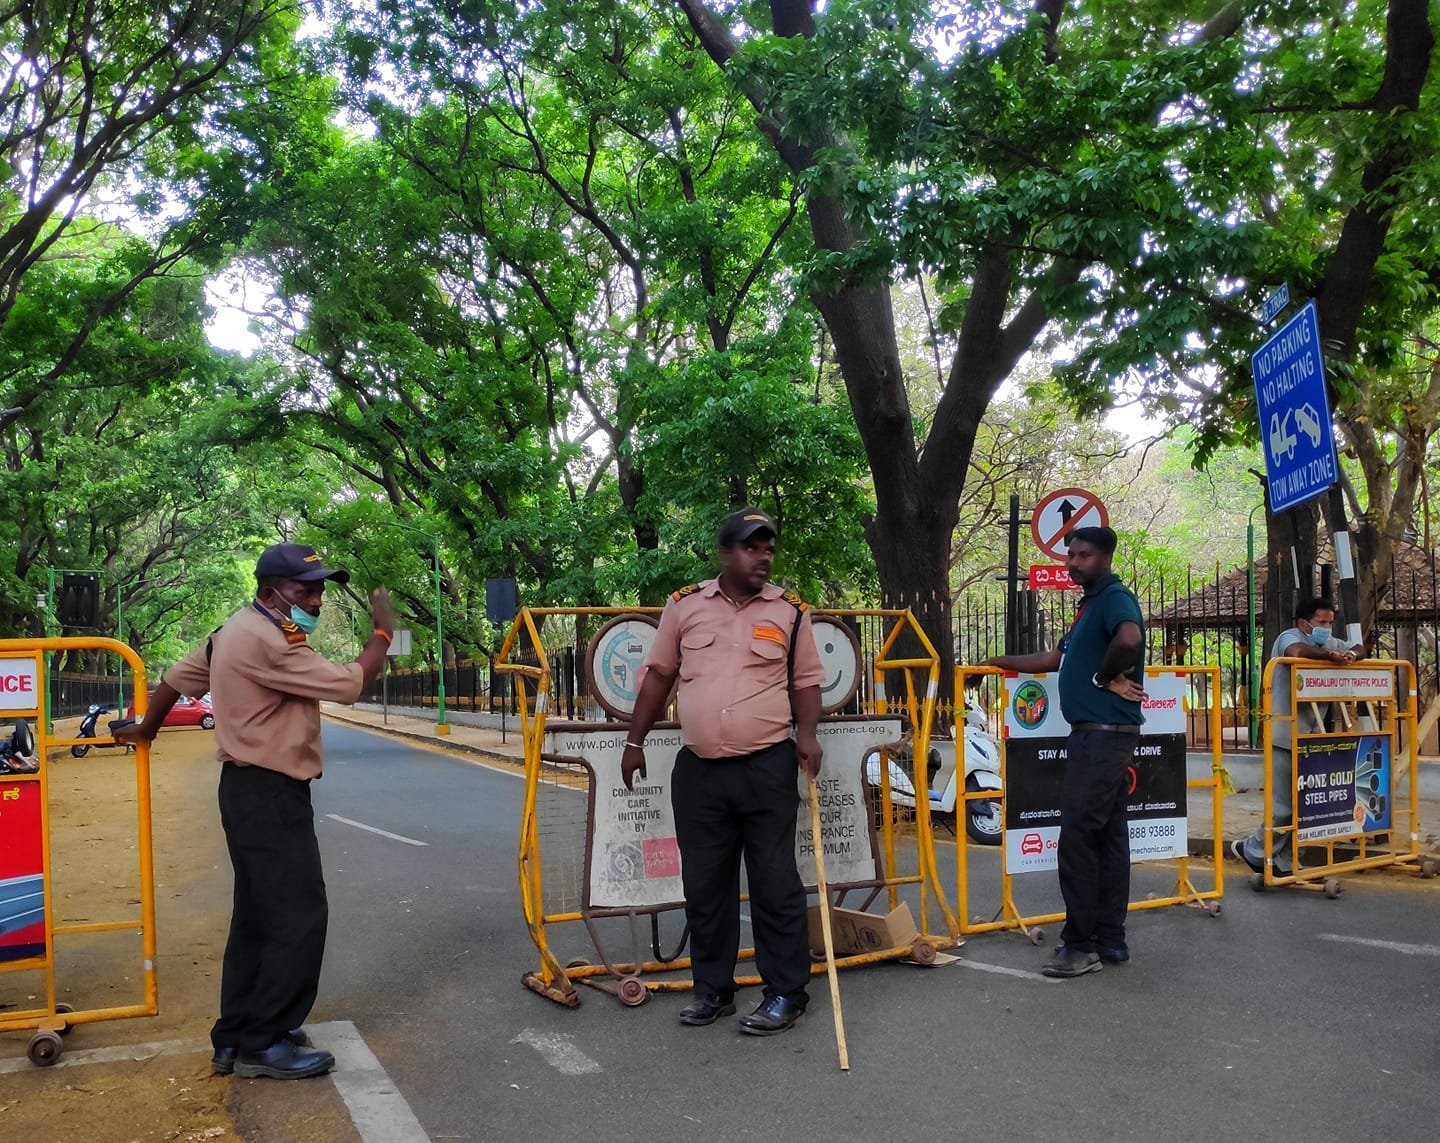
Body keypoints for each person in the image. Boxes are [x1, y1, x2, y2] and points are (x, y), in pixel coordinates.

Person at [118, 543, 395, 1079]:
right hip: (269, 794)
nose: (315, 600)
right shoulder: (267, 641)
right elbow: (351, 684)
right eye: (303, 589)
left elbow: (179, 676)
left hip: (247, 792)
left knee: (258, 915)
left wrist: (148, 725)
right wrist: (383, 633)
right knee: (298, 915)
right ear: (272, 592)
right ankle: (263, 1042)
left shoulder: (232, 631)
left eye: (318, 589)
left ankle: (237, 1034)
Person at [621, 507, 824, 1035]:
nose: (764, 556)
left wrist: (807, 735)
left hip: (767, 766)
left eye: (769, 547)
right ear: (726, 552)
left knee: (775, 882)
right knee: (705, 885)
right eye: (752, 547)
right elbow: (660, 674)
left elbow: (806, 682)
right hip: (701, 772)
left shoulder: (792, 612)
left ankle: (786, 992)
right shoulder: (685, 606)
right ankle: (714, 989)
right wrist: (634, 740)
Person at [983, 526, 1146, 978]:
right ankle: (1111, 942)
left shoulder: (1114, 598)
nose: (1073, 563)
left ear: (1104, 557)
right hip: (1100, 735)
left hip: (1102, 736)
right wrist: (999, 663)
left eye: (1083, 555)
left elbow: (1129, 640)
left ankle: (1079, 946)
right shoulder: (1090, 607)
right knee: (1109, 839)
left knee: (1076, 840)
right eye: (1070, 555)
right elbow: (1056, 659)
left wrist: (1103, 676)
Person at [1231, 597, 1364, 878]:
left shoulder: (1328, 644)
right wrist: (1329, 657)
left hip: (1310, 739)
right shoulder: (1289, 637)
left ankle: (1285, 862)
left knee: (1305, 806)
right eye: (1321, 622)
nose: (1327, 628)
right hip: (1282, 734)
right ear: (1304, 623)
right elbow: (1296, 650)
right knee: (1283, 807)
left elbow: (1359, 648)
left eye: (1330, 622)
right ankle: (1254, 850)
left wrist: (1352, 654)